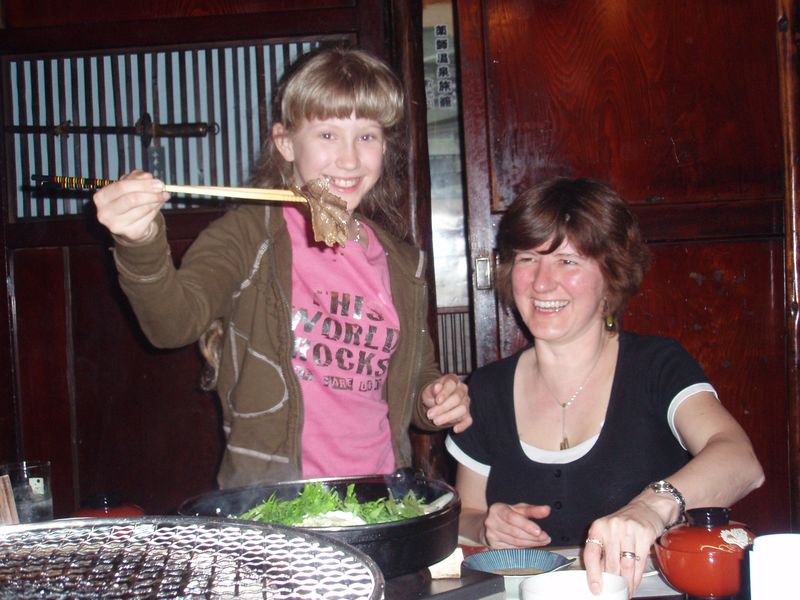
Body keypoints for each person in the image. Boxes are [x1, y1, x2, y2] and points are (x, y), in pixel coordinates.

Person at [93, 46, 472, 490]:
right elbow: (172, 324)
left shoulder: (401, 261)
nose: (349, 160)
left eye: (367, 136)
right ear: (286, 143)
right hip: (275, 504)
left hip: (380, 497)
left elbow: (415, 382)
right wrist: (139, 242)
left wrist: (436, 399)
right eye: (328, 135)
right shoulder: (250, 233)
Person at [445, 177, 763, 595]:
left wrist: (651, 507)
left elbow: (741, 461)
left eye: (568, 261)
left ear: (610, 275)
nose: (542, 282)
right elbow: (468, 512)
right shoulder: (485, 389)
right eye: (527, 259)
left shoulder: (655, 366)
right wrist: (486, 525)